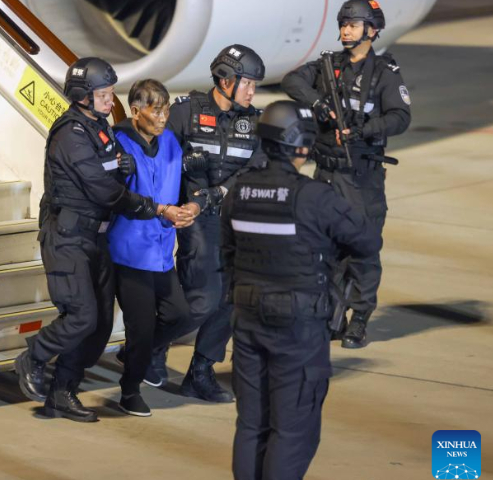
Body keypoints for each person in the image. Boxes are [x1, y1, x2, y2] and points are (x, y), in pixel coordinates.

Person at [14, 58, 192, 423]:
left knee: (99, 328)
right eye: (104, 94)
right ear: (83, 95)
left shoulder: (98, 127)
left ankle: (62, 393)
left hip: (96, 237)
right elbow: (102, 190)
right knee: (82, 316)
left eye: (111, 93)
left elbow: (111, 170)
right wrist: (154, 208)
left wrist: (122, 167)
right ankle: (34, 355)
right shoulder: (70, 134)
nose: (112, 101)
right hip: (68, 237)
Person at [222, 100, 382, 480]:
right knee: (293, 430)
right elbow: (367, 240)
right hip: (298, 325)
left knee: (252, 424)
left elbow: (227, 251)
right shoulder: (313, 196)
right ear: (301, 144)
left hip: (247, 317)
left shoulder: (238, 191)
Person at [281, 0, 411, 348]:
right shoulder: (329, 66)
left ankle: (360, 318)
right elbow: (292, 80)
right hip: (326, 173)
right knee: (325, 249)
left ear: (372, 30)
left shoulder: (384, 72)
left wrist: (364, 130)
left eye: (353, 25)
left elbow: (400, 117)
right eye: (343, 24)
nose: (345, 30)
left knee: (362, 249)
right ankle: (333, 316)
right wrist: (318, 103)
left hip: (361, 177)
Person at [155, 44, 266, 403]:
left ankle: (200, 372)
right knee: (202, 300)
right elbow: (156, 158)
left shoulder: (254, 123)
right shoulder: (185, 113)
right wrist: (178, 193)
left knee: (232, 298)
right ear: (225, 80)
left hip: (234, 221)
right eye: (247, 83)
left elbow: (256, 168)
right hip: (194, 219)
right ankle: (149, 347)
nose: (252, 91)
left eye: (254, 85)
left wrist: (218, 191)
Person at [108, 79, 197, 417]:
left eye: (166, 110)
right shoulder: (119, 144)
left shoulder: (170, 141)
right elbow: (116, 196)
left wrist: (189, 208)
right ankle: (129, 391)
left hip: (161, 251)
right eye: (155, 111)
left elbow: (180, 184)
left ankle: (135, 353)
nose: (162, 118)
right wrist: (161, 210)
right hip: (129, 251)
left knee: (180, 315)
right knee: (141, 327)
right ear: (135, 111)